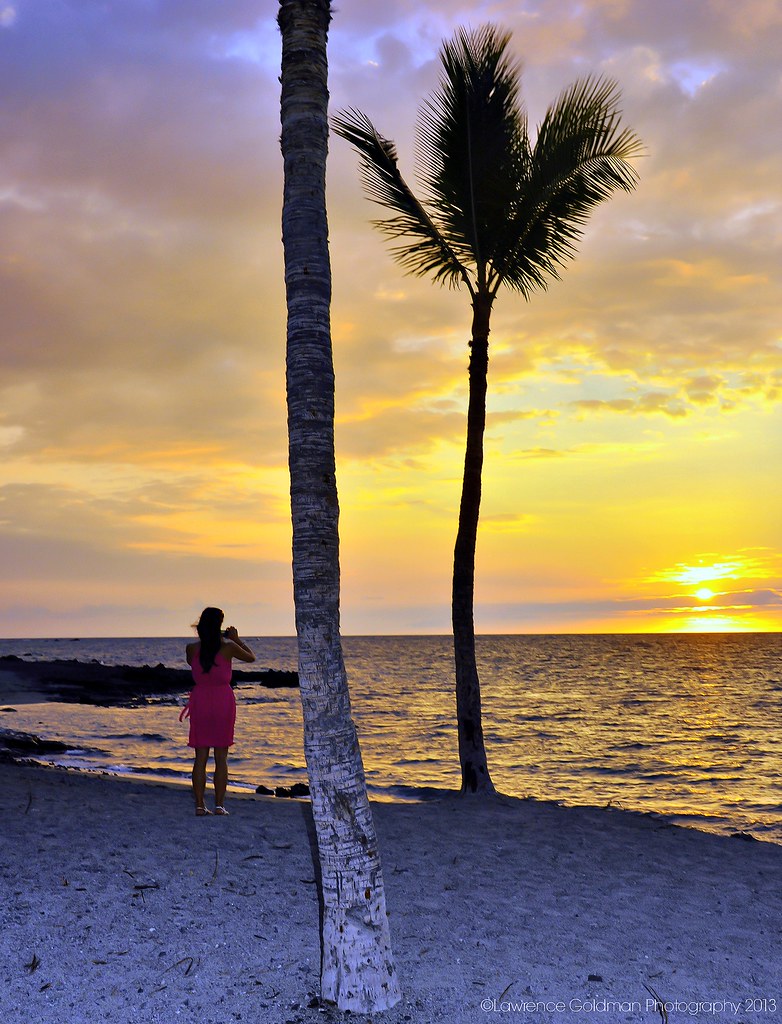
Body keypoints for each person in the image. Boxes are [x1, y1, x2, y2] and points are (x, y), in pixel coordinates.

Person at [183, 607, 256, 817]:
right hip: (222, 701)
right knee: (221, 756)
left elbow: (194, 664)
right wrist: (236, 639)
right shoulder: (229, 647)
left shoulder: (191, 649)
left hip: (200, 701)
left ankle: (199, 805)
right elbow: (251, 658)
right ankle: (219, 805)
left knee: (200, 756)